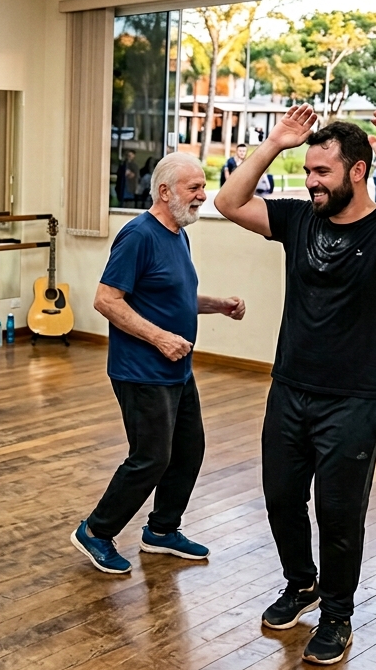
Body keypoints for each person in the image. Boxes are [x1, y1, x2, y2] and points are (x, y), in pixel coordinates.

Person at [213, 105, 376, 665]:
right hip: (290, 387)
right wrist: (275, 144)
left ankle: (337, 615)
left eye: (322, 172)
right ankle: (302, 583)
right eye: (308, 171)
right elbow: (228, 202)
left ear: (357, 171)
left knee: (339, 512)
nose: (311, 182)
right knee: (281, 498)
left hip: (354, 397)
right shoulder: (299, 219)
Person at [70, 152, 246, 576]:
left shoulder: (178, 235)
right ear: (164, 192)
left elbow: (172, 296)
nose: (202, 195)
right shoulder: (138, 235)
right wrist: (160, 338)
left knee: (188, 450)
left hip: (177, 370)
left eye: (202, 187)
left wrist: (217, 304)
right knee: (151, 457)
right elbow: (106, 300)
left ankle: (163, 530)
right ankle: (95, 531)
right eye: (194, 187)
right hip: (141, 370)